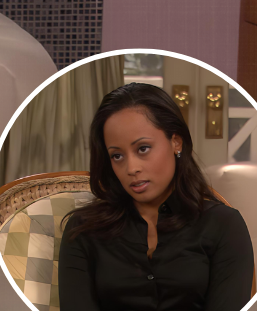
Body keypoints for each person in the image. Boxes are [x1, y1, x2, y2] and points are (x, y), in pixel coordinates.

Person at [59, 83, 254, 310]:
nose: (131, 168)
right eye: (117, 156)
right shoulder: (83, 230)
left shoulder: (224, 225)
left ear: (176, 142)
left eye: (143, 148)